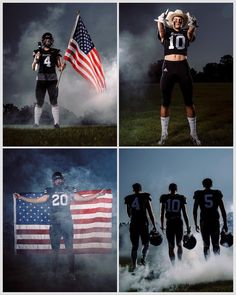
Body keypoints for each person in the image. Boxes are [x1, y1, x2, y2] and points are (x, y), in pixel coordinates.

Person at [13, 171, 105, 280]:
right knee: (55, 250)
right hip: (55, 223)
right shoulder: (50, 190)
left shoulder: (69, 189)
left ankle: (71, 273)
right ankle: (53, 273)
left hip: (66, 222)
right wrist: (21, 198)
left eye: (60, 179)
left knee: (69, 249)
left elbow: (82, 199)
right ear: (53, 181)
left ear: (63, 180)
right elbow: (38, 200)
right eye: (56, 179)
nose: (58, 181)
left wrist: (98, 195)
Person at [156, 9, 201, 145]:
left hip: (182, 67)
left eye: (180, 20)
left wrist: (192, 25)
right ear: (172, 21)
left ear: (182, 22)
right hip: (168, 67)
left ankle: (193, 134)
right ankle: (164, 134)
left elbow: (190, 34)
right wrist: (159, 22)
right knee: (165, 101)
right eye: (175, 19)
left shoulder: (185, 31)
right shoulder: (167, 31)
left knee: (188, 101)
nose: (178, 21)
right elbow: (162, 33)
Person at [32, 32, 66, 128]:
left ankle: (56, 124)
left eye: (49, 39)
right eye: (46, 39)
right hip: (41, 79)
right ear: (43, 41)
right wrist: (36, 59)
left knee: (54, 101)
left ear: (52, 41)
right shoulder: (37, 51)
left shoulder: (55, 52)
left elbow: (60, 68)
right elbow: (33, 68)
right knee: (39, 101)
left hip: (52, 79)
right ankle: (36, 123)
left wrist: (63, 66)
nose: (47, 41)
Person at [193, 178, 228, 259]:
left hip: (204, 221)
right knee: (215, 244)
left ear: (203, 184)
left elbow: (195, 210)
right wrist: (225, 223)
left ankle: (207, 263)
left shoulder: (199, 193)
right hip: (214, 220)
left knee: (206, 244)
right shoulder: (216, 193)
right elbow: (222, 209)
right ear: (211, 184)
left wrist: (195, 223)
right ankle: (217, 263)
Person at [124, 183, 157, 271]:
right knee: (146, 243)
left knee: (134, 245)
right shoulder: (145, 196)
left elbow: (128, 213)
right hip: (143, 222)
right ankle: (143, 258)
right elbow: (150, 212)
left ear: (133, 189)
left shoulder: (129, 198)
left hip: (134, 222)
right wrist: (154, 224)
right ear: (140, 188)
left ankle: (134, 266)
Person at [160, 183, 191, 264]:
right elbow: (184, 214)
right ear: (176, 189)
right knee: (179, 244)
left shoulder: (165, 197)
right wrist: (188, 226)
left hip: (170, 222)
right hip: (178, 222)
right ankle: (179, 264)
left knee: (171, 246)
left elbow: (162, 213)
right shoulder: (180, 197)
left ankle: (174, 266)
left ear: (169, 189)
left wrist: (162, 225)